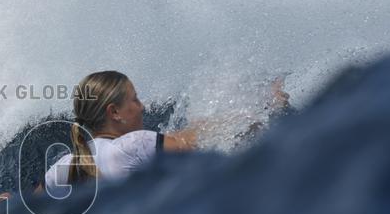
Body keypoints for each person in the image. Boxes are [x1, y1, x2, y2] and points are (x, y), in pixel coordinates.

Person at [43, 71, 291, 197]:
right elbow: (204, 136)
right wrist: (267, 106)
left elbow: (28, 203)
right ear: (114, 112)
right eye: (135, 100)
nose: (142, 107)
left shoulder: (63, 166)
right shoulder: (133, 145)